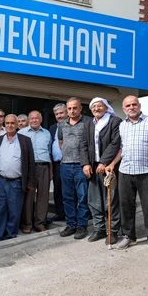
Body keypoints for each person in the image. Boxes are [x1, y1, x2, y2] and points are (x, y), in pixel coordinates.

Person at [115, 96, 148, 252]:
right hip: (125, 171)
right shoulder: (122, 125)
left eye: (134, 104)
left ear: (139, 105)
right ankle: (128, 236)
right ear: (124, 109)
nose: (131, 107)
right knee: (126, 206)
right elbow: (121, 149)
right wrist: (111, 164)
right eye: (128, 105)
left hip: (147, 172)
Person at [84, 98, 122, 246]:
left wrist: (104, 162)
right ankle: (99, 229)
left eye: (99, 106)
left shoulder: (114, 121)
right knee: (94, 200)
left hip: (109, 167)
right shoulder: (89, 124)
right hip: (93, 167)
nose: (96, 108)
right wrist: (85, 164)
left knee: (111, 201)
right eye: (93, 106)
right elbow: (83, 144)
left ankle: (113, 231)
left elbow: (115, 143)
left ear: (106, 107)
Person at [0, 114, 35, 241]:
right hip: (0, 181)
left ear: (16, 125)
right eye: (7, 123)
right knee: (0, 210)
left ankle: (11, 236)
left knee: (14, 211)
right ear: (4, 125)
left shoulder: (25, 140)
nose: (10, 125)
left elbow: (31, 162)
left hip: (16, 182)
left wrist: (30, 182)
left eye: (12, 123)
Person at [58, 97, 91, 239]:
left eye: (75, 108)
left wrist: (86, 163)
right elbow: (61, 142)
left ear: (80, 108)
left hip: (81, 165)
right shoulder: (62, 125)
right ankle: (71, 224)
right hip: (65, 165)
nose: (72, 111)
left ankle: (82, 226)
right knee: (67, 197)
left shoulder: (88, 122)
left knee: (82, 197)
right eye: (69, 108)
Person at [19, 110, 52, 233]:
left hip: (44, 167)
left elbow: (49, 152)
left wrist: (51, 170)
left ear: (41, 120)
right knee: (28, 196)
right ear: (28, 120)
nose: (34, 120)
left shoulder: (47, 133)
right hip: (29, 167)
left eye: (36, 118)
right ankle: (27, 223)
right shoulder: (21, 133)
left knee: (43, 196)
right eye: (31, 118)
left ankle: (40, 223)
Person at [47, 104, 68, 222]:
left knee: (69, 189)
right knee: (58, 189)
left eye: (61, 113)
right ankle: (60, 213)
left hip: (69, 163)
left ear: (66, 113)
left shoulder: (72, 125)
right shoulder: (53, 127)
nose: (59, 116)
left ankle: (71, 214)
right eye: (57, 114)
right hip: (56, 164)